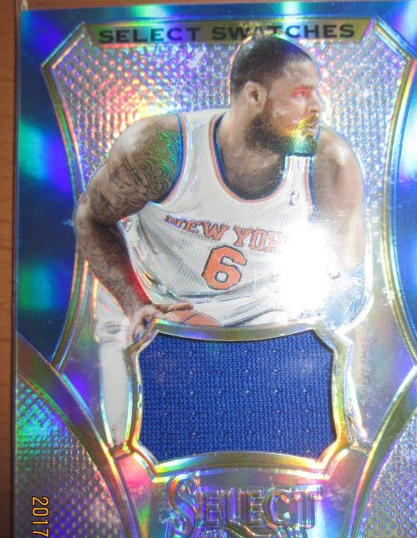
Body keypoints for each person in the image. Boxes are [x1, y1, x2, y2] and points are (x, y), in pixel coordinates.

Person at [75, 35, 367, 447]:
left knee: (330, 453)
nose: (319, 106)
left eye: (317, 92)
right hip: (158, 304)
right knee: (136, 459)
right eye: (302, 94)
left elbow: (350, 285)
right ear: (254, 96)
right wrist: (136, 304)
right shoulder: (162, 148)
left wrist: (285, 335)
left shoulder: (330, 162)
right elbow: (91, 218)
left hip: (267, 318)